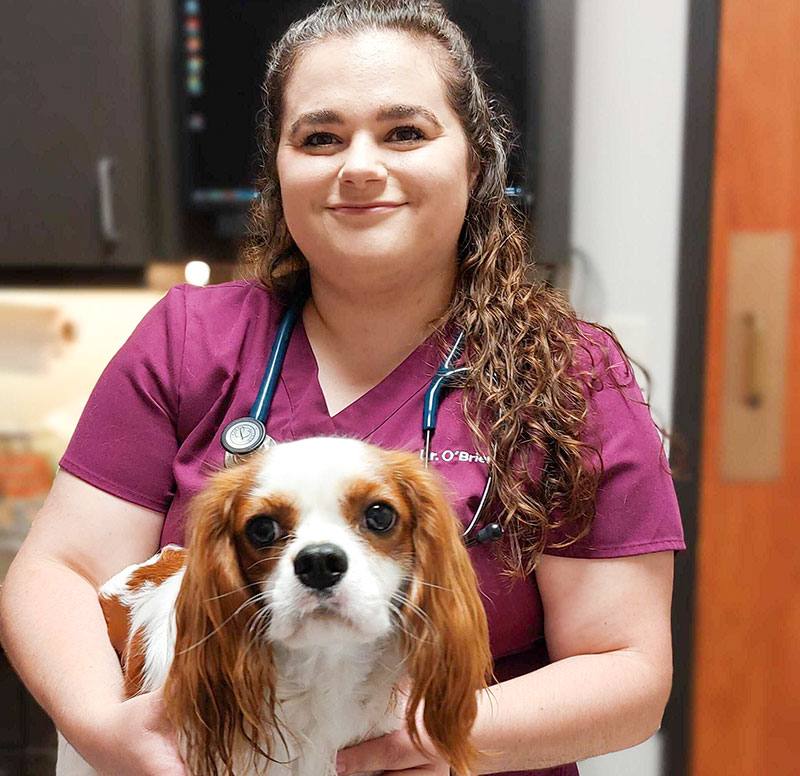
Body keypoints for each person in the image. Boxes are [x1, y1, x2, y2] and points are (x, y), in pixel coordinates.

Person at [0, 1, 685, 775]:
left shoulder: (568, 375)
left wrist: (426, 731)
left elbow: (629, 670)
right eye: (320, 137)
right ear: (280, 168)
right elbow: (59, 572)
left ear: (475, 158)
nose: (359, 166)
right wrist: (105, 729)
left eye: (405, 132)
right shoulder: (191, 339)